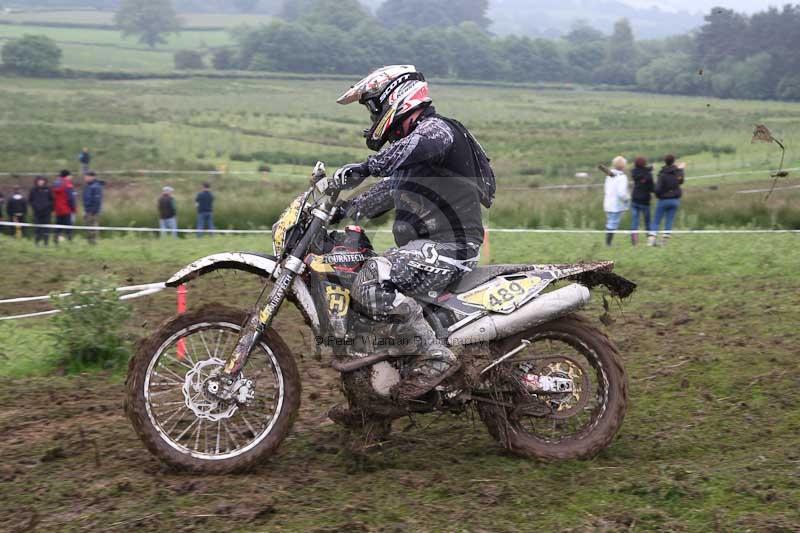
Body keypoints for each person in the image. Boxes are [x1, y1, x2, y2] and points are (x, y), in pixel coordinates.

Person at [330, 65, 493, 404]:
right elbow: (384, 192)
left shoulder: (437, 131)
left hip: (449, 247)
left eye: (373, 106)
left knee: (374, 280)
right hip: (426, 248)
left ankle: (435, 358)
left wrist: (365, 168)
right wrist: (336, 211)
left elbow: (410, 149)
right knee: (365, 275)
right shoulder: (413, 156)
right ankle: (376, 399)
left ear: (396, 97)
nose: (372, 116)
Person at [649, 155, 685, 246]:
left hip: (663, 200)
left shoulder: (662, 174)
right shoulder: (677, 172)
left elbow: (657, 189)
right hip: (675, 201)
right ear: (673, 161)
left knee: (656, 220)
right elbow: (681, 181)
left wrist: (658, 196)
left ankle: (652, 239)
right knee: (669, 220)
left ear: (665, 162)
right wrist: (681, 169)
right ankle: (664, 241)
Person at [603, 156, 631, 247]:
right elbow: (622, 193)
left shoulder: (609, 175)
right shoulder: (622, 177)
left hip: (608, 203)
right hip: (616, 205)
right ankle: (608, 244)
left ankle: (608, 243)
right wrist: (627, 198)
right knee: (612, 224)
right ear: (623, 166)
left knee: (610, 223)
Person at [630, 157, 654, 246]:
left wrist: (648, 170)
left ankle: (634, 241)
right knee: (647, 221)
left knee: (635, 221)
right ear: (644, 164)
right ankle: (649, 239)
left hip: (635, 199)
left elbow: (640, 173)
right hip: (645, 200)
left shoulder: (634, 173)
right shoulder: (648, 174)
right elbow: (652, 188)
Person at [52, 169, 76, 243]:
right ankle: (70, 241)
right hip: (66, 209)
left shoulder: (55, 183)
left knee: (58, 226)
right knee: (68, 227)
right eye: (70, 176)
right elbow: (71, 198)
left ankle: (56, 241)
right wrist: (73, 208)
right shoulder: (68, 184)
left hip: (57, 209)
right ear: (67, 176)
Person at [29, 176, 54, 246]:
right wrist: (34, 206)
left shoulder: (48, 190)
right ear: (37, 181)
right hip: (37, 213)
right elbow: (30, 200)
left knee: (46, 228)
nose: (41, 182)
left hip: (46, 213)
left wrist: (49, 208)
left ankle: (46, 243)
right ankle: (37, 242)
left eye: (42, 180)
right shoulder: (33, 190)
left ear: (44, 181)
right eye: (39, 180)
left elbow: (52, 200)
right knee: (37, 229)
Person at [82, 171, 103, 245]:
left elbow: (97, 200)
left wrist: (93, 211)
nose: (85, 178)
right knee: (88, 226)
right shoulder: (88, 186)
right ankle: (90, 242)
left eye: (87, 177)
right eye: (85, 177)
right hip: (87, 210)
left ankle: (93, 242)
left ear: (92, 177)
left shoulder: (96, 187)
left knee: (93, 227)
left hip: (93, 212)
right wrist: (85, 210)